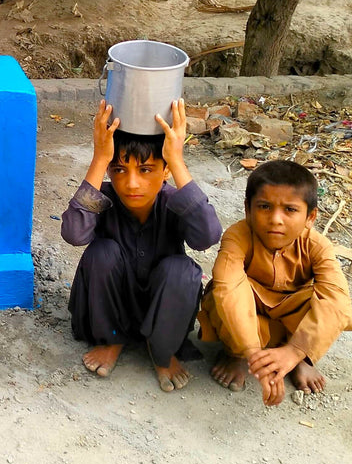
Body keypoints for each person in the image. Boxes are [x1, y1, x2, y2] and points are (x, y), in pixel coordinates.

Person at [61, 99, 222, 391]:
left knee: (183, 270)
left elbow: (207, 236)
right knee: (102, 252)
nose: (131, 183)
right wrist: (99, 159)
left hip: (164, 307)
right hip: (108, 306)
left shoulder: (175, 201)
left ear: (165, 171)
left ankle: (162, 349)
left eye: (146, 170)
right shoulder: (104, 199)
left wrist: (178, 160)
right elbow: (74, 234)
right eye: (119, 170)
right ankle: (111, 339)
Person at [199, 159, 352, 406]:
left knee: (333, 307)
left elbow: (337, 302)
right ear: (248, 209)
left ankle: (301, 359)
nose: (276, 219)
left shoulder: (317, 246)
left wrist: (295, 352)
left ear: (310, 217)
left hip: (291, 322)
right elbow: (229, 290)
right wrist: (252, 353)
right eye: (264, 206)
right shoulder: (238, 236)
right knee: (220, 295)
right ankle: (237, 354)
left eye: (290, 210)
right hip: (251, 317)